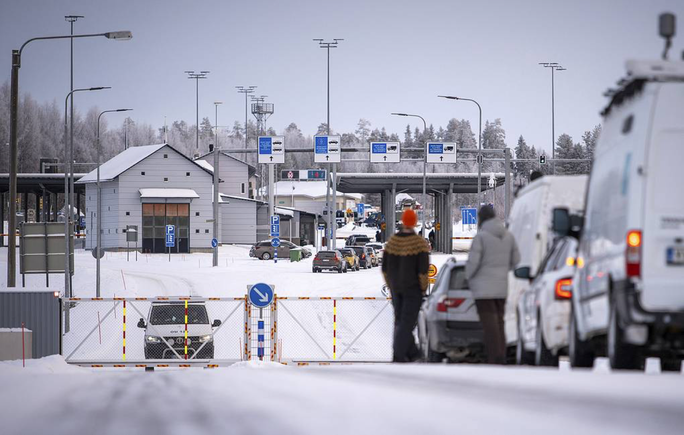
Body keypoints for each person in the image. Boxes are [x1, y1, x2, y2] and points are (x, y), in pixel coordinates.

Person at [465, 205, 520, 364]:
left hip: (483, 291)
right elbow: (516, 261)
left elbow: (473, 263)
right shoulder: (508, 236)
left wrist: (468, 277)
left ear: (481, 219)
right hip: (502, 288)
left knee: (489, 325)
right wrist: (502, 270)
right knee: (499, 322)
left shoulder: (481, 238)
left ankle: (494, 358)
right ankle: (501, 355)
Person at [381, 209, 430, 362]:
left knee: (399, 321)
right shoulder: (419, 243)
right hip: (413, 289)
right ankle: (398, 355)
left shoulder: (393, 242)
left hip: (396, 288)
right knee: (407, 323)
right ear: (414, 222)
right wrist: (423, 288)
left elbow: (384, 269)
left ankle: (413, 353)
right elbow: (423, 271)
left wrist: (391, 285)